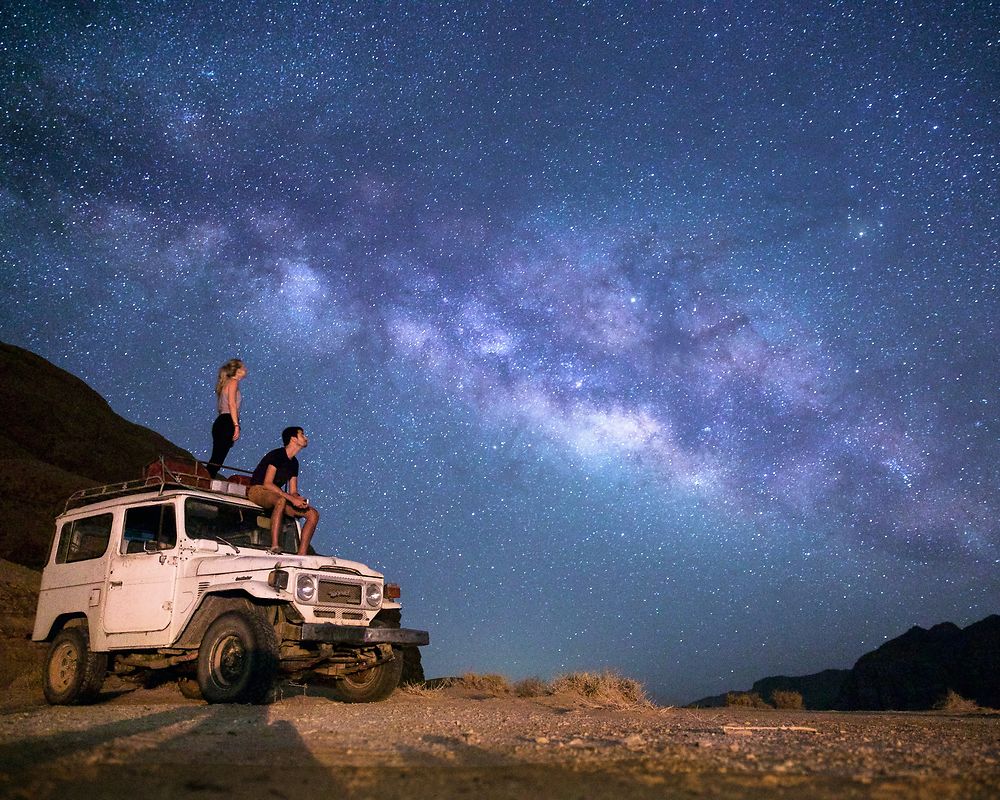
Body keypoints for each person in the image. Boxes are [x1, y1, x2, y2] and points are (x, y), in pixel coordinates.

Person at [248, 426, 319, 555]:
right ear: (293, 439)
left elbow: (293, 491)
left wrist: (298, 499)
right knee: (280, 501)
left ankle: (301, 554)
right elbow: (267, 483)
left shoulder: (294, 463)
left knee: (313, 514)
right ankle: (275, 545)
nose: (306, 438)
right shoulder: (277, 455)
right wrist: (291, 498)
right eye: (302, 435)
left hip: (275, 494)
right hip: (258, 490)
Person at [206, 358, 247, 478]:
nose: (246, 369)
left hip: (221, 421)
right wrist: (236, 425)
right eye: (243, 367)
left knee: (216, 458)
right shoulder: (233, 382)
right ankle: (204, 480)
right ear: (237, 370)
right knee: (217, 459)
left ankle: (205, 479)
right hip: (227, 422)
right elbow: (232, 404)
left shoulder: (226, 383)